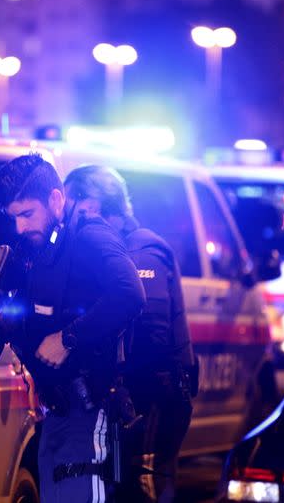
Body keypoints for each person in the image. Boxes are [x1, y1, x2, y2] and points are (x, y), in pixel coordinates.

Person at [0, 154, 145, 503]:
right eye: (14, 217)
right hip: (57, 408)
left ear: (56, 199)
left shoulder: (89, 234)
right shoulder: (38, 246)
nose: (21, 227)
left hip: (90, 405)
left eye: (28, 214)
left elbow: (130, 292)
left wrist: (68, 339)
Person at [63, 165, 197, 503]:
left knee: (144, 485)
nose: (65, 217)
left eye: (69, 204)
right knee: (123, 487)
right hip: (141, 395)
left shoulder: (140, 251)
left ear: (91, 205)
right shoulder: (118, 249)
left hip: (153, 396)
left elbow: (151, 335)